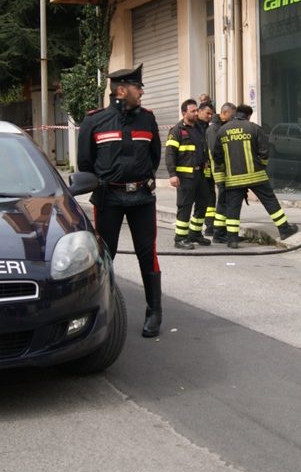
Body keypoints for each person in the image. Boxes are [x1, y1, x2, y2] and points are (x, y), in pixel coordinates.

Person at [76, 65, 165, 338]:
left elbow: (154, 155)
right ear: (123, 90)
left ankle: (154, 312)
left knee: (146, 252)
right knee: (106, 254)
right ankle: (104, 308)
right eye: (138, 88)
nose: (141, 93)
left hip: (141, 197)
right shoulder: (95, 121)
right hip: (109, 197)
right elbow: (85, 162)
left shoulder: (147, 119)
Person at [211, 103, 299, 248]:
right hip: (256, 175)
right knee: (270, 201)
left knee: (233, 207)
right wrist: (262, 165)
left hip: (233, 178)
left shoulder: (222, 130)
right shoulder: (254, 128)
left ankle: (232, 239)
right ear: (248, 115)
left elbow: (217, 156)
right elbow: (264, 151)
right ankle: (284, 229)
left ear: (235, 113)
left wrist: (224, 174)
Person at [164, 98, 212, 250]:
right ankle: (180, 238)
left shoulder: (199, 128)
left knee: (203, 203)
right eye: (193, 111)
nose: (196, 113)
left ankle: (195, 233)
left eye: (197, 110)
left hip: (200, 174)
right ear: (184, 113)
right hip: (185, 177)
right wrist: (172, 174)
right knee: (185, 206)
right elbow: (170, 154)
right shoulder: (177, 131)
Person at [207, 101, 234, 237]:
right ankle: (218, 232)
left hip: (224, 170)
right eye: (232, 115)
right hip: (219, 171)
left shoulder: (221, 127)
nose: (233, 118)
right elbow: (215, 151)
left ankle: (221, 230)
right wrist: (222, 167)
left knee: (225, 200)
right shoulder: (214, 129)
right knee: (222, 200)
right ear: (224, 113)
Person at [195, 100, 219, 238]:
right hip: (194, 169)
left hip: (207, 167)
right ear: (199, 111)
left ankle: (209, 224)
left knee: (210, 194)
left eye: (211, 114)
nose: (209, 116)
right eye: (207, 113)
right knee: (199, 197)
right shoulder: (193, 126)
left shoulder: (207, 127)